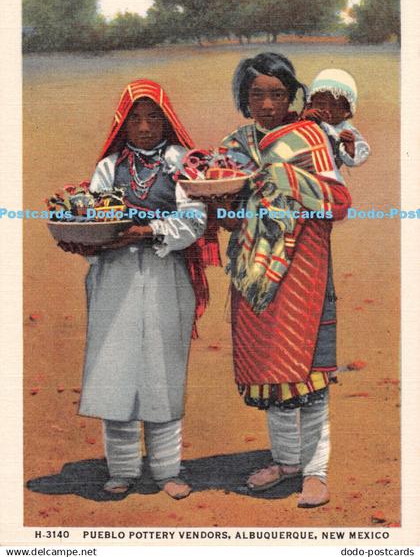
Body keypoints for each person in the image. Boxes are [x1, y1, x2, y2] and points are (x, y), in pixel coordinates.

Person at [59, 79, 217, 500]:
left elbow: (194, 220)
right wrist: (101, 236)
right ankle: (123, 469)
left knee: (162, 371)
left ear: (168, 121)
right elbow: (91, 215)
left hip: (167, 274)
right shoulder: (109, 167)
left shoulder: (184, 162)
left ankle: (167, 470)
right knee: (116, 368)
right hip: (115, 276)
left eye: (154, 118)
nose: (145, 127)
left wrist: (146, 231)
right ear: (122, 125)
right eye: (136, 120)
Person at [220, 53, 352, 508]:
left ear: (292, 95)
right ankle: (286, 461)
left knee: (310, 372)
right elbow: (221, 209)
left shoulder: (313, 137)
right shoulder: (234, 146)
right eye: (257, 94)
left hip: (305, 268)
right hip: (255, 275)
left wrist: (282, 180)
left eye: (278, 94)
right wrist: (231, 208)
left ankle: (315, 471)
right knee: (270, 371)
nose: (268, 104)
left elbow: (337, 201)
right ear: (245, 98)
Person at [301, 68, 370, 168]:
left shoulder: (345, 129)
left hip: (327, 174)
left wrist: (350, 148)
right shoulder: (306, 118)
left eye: (335, 105)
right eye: (320, 104)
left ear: (347, 111)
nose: (327, 109)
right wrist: (304, 117)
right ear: (310, 104)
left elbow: (357, 157)